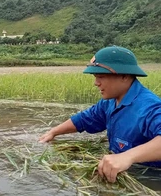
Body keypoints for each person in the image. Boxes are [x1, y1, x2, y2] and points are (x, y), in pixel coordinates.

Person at [38, 46, 161, 183]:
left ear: (125, 76)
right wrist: (53, 132)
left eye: (101, 77)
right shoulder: (109, 102)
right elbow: (84, 119)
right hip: (121, 172)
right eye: (96, 77)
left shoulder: (149, 107)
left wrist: (127, 157)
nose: (96, 83)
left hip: (151, 176)